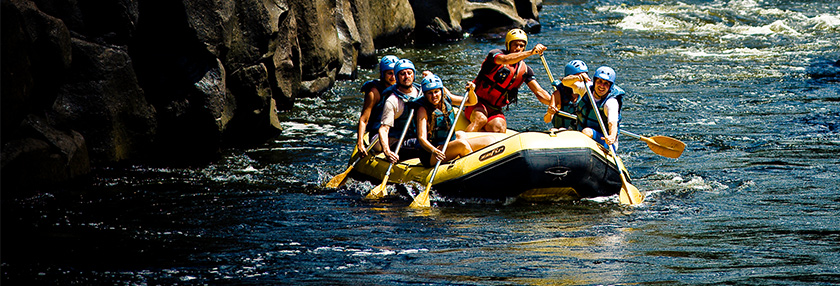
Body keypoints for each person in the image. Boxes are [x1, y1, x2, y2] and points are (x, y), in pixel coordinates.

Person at [465, 28, 554, 133]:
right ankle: (462, 144)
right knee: (480, 119)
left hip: (495, 109)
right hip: (475, 102)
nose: (518, 48)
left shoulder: (525, 70)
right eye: (515, 45)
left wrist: (554, 103)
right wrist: (530, 52)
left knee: (499, 128)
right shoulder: (495, 55)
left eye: (521, 46)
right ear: (508, 45)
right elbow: (505, 60)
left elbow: (539, 91)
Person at [413, 75, 496, 167]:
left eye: (436, 92)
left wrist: (471, 91)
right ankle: (476, 167)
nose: (434, 96)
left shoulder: (446, 100)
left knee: (489, 140)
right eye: (430, 93)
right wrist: (434, 150)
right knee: (462, 144)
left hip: (447, 144)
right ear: (425, 94)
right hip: (431, 153)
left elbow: (472, 102)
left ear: (441, 91)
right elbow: (421, 138)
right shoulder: (422, 110)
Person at [376, 59, 424, 163]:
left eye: (409, 73)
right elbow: (383, 129)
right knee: (424, 145)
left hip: (417, 137)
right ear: (397, 77)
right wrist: (386, 151)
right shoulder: (392, 101)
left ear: (414, 75)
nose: (407, 76)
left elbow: (448, 98)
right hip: (399, 142)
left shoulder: (421, 91)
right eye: (402, 74)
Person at [565, 66, 625, 149]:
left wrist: (611, 137)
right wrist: (576, 77)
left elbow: (613, 123)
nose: (602, 86)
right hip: (582, 134)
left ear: (610, 86)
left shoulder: (611, 103)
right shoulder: (587, 88)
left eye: (606, 83)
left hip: (605, 141)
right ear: (595, 81)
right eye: (599, 81)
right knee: (558, 130)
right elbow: (565, 82)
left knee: (587, 132)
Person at [356, 55, 399, 156]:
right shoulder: (374, 92)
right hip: (378, 135)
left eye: (395, 73)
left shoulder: (402, 89)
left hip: (395, 132)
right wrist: (360, 143)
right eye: (389, 73)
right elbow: (363, 119)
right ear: (383, 74)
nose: (393, 77)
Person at [547, 60, 590, 130]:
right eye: (579, 76)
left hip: (580, 131)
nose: (582, 80)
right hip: (560, 131)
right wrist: (549, 113)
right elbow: (547, 120)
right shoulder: (558, 94)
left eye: (584, 76)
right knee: (554, 130)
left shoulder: (588, 92)